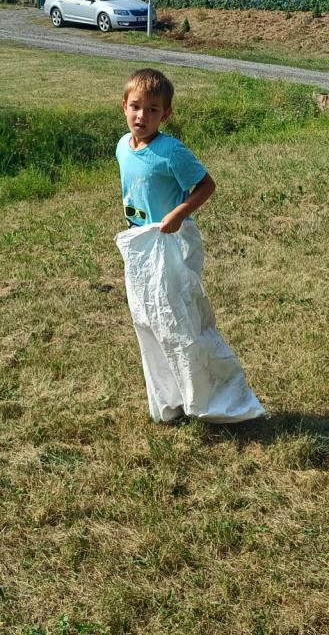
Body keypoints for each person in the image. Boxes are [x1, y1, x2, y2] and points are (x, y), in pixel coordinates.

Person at [114, 68, 266, 423]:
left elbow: (206, 185)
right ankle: (171, 398)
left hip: (172, 242)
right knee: (148, 320)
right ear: (124, 106)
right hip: (142, 245)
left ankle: (215, 398)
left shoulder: (171, 152)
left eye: (152, 109)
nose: (142, 116)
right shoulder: (123, 146)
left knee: (178, 321)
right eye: (136, 107)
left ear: (165, 114)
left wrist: (178, 214)